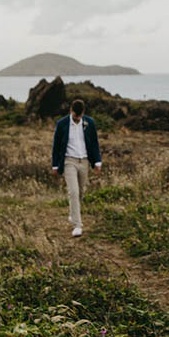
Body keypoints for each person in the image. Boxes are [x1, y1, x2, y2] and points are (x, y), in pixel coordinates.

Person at [51, 98, 101, 237]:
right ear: (70, 111)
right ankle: (77, 225)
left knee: (81, 192)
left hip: (84, 161)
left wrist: (97, 162)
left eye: (79, 116)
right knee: (73, 192)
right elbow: (56, 146)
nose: (77, 118)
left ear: (83, 112)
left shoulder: (89, 123)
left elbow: (94, 143)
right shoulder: (62, 124)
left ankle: (73, 214)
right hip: (69, 161)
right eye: (75, 116)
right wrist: (55, 165)